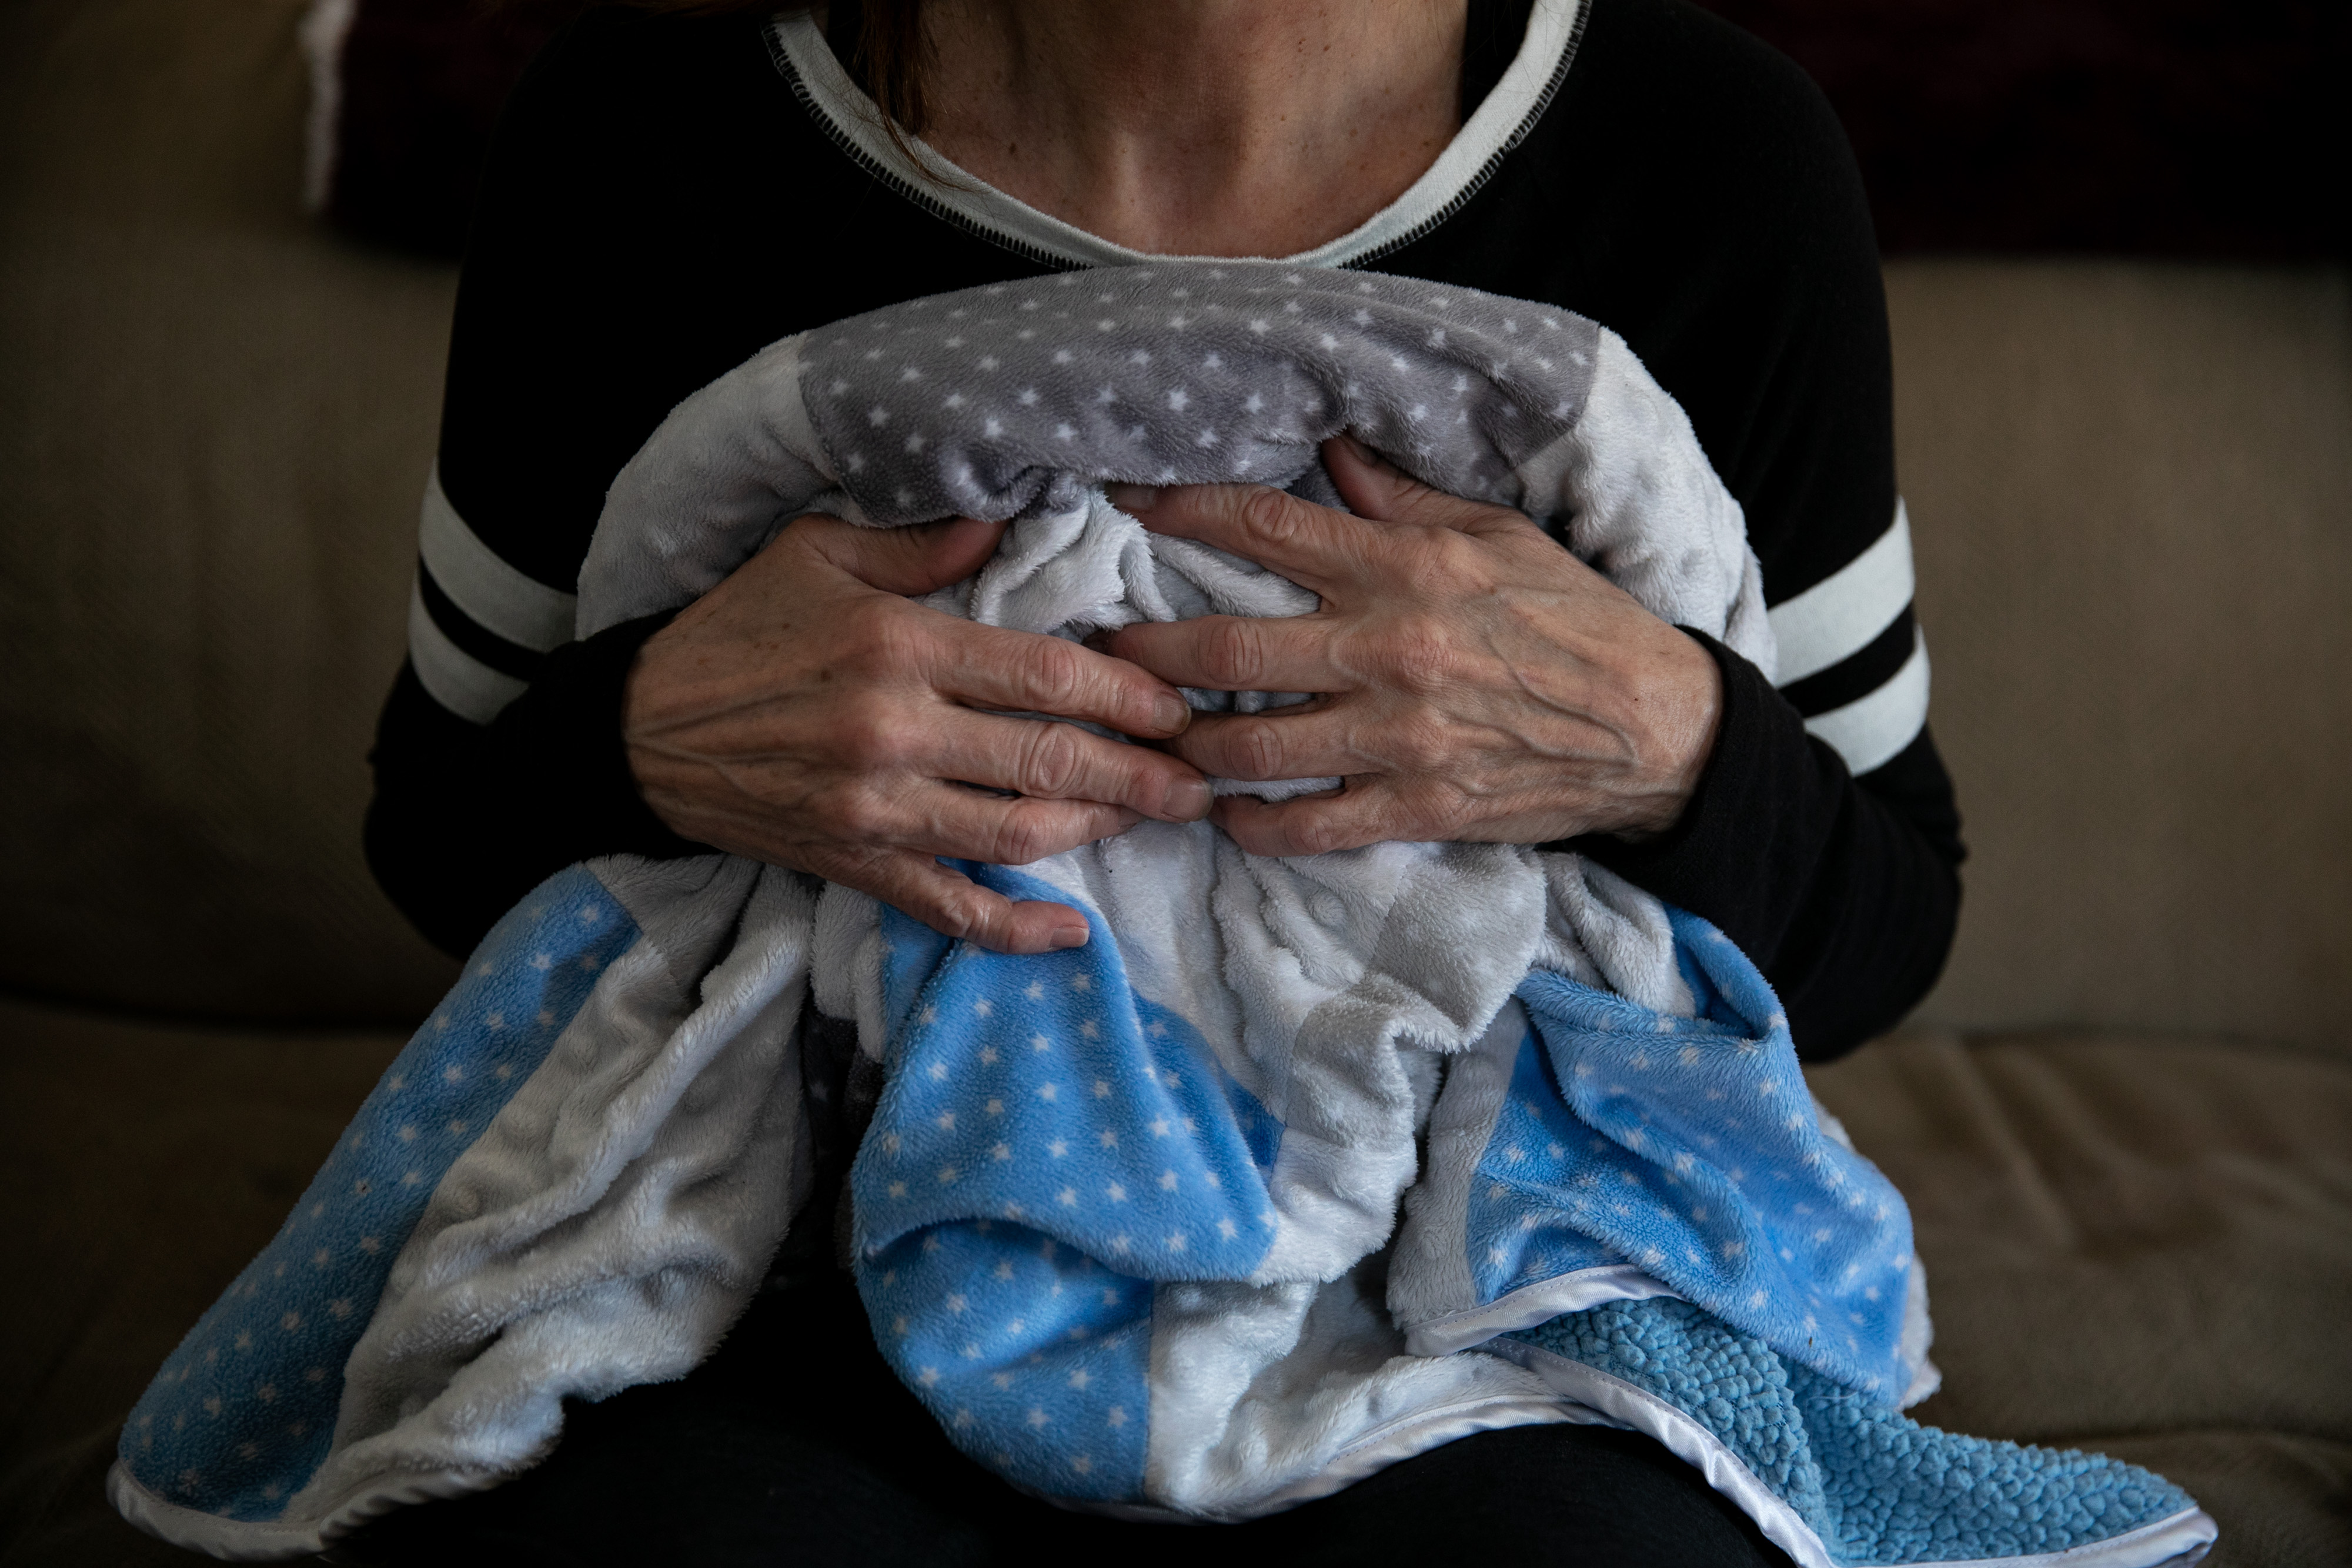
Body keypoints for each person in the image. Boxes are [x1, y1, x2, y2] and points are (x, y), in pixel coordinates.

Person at [353, 1, 1964, 1560]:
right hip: (781, 1287)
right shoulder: (646, 137)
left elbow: (1888, 913)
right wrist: (655, 727)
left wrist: (1660, 738)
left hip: (1476, 1323)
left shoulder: (1702, 155)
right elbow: (438, 835)